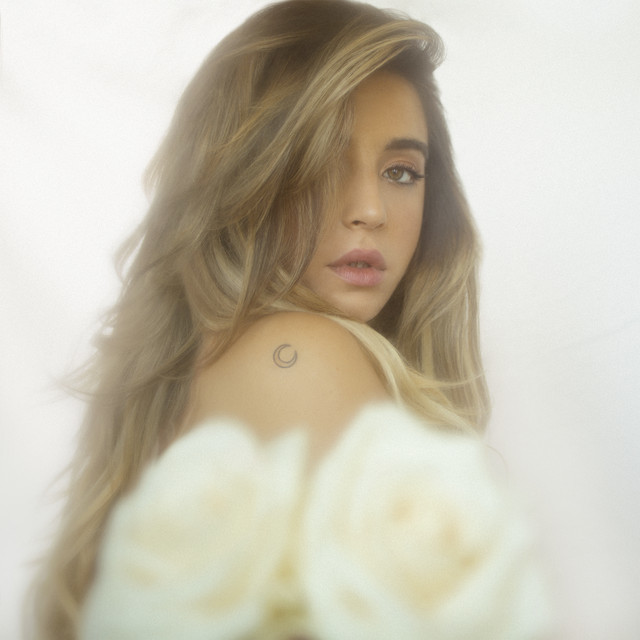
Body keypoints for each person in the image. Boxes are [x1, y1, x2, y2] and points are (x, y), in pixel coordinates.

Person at [29, 0, 494, 637]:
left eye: (400, 172)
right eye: (322, 162)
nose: (370, 209)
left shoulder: (208, 372)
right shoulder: (298, 359)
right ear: (244, 177)